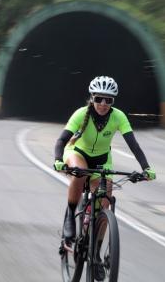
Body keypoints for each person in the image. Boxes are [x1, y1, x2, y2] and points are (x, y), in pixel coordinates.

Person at [54, 76, 156, 240]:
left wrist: (146, 168)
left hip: (102, 159)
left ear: (112, 101)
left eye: (108, 100)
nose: (103, 103)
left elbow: (133, 145)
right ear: (92, 98)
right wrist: (58, 160)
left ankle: (96, 253)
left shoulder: (119, 117)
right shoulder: (81, 114)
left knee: (104, 203)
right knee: (79, 173)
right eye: (98, 98)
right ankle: (70, 215)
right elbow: (61, 140)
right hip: (77, 152)